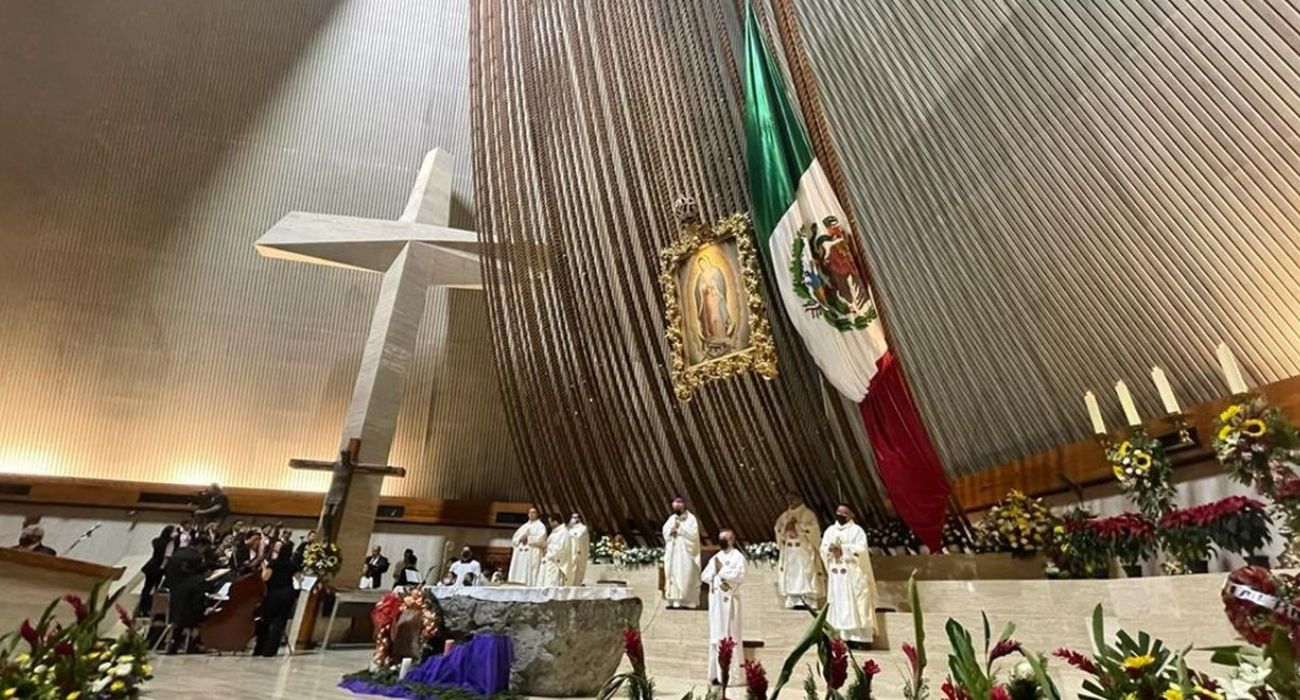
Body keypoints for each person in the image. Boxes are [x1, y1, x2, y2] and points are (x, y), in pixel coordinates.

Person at [820, 505, 878, 645]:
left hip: (853, 573)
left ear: (851, 514)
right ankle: (843, 637)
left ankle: (861, 639)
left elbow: (862, 550)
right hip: (837, 574)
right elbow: (823, 548)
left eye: (844, 512)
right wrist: (830, 549)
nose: (840, 514)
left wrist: (843, 549)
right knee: (839, 604)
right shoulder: (830, 531)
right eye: (838, 512)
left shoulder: (857, 531)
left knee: (857, 604)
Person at [701, 529, 745, 684]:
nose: (721, 541)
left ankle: (731, 677)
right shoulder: (716, 557)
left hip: (729, 603)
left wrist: (722, 571)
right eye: (719, 538)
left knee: (729, 635)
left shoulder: (737, 557)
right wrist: (714, 573)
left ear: (732, 539)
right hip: (716, 604)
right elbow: (704, 576)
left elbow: (739, 575)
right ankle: (715, 675)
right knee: (716, 637)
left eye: (724, 539)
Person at [165, 535, 214, 654]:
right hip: (189, 609)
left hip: (175, 601)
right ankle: (194, 645)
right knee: (207, 615)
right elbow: (197, 601)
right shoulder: (196, 560)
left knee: (180, 618)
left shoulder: (179, 552)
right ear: (200, 545)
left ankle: (174, 645)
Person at [775, 492, 825, 609]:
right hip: (789, 549)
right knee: (791, 574)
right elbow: (778, 528)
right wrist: (784, 529)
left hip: (803, 549)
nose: (790, 501)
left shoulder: (808, 514)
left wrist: (797, 527)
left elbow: (814, 530)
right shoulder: (785, 515)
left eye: (793, 499)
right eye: (788, 499)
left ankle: (808, 600)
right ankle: (793, 599)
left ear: (800, 499)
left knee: (806, 573)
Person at [253, 539, 299, 657]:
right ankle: (271, 651)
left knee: (266, 621)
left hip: (273, 594)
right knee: (279, 622)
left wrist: (263, 569)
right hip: (287, 593)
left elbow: (265, 578)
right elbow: (299, 579)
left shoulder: (273, 563)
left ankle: (259, 648)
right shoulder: (292, 565)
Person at [661, 497, 700, 609]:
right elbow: (665, 531)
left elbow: (693, 535)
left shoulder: (691, 519)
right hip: (673, 553)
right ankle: (673, 599)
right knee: (672, 574)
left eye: (679, 504)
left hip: (685, 554)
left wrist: (680, 530)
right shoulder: (672, 518)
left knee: (685, 574)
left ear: (684, 505)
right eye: (675, 505)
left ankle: (686, 601)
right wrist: (670, 531)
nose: (677, 507)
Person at [136, 525, 177, 616]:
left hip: (151, 566)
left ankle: (142, 608)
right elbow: (167, 556)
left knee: (146, 587)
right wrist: (162, 567)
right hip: (159, 567)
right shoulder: (170, 542)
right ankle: (150, 608)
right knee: (156, 588)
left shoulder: (156, 541)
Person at [507, 507, 548, 586]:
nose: (531, 514)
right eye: (530, 513)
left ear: (537, 514)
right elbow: (514, 539)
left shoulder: (540, 526)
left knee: (531, 574)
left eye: (533, 513)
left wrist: (528, 538)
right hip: (521, 556)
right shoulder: (523, 526)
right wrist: (520, 539)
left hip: (532, 554)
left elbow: (541, 540)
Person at [538, 515, 572, 587]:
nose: (549, 524)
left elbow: (562, 549)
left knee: (551, 584)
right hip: (548, 561)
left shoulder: (564, 533)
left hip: (554, 563)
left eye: (550, 522)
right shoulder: (555, 532)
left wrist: (547, 547)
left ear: (556, 522)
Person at [566, 512, 590, 587]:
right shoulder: (569, 528)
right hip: (570, 551)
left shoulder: (583, 528)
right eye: (572, 517)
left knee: (577, 569)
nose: (573, 519)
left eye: (575, 517)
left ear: (579, 518)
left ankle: (576, 583)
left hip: (578, 551)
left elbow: (578, 536)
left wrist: (570, 532)